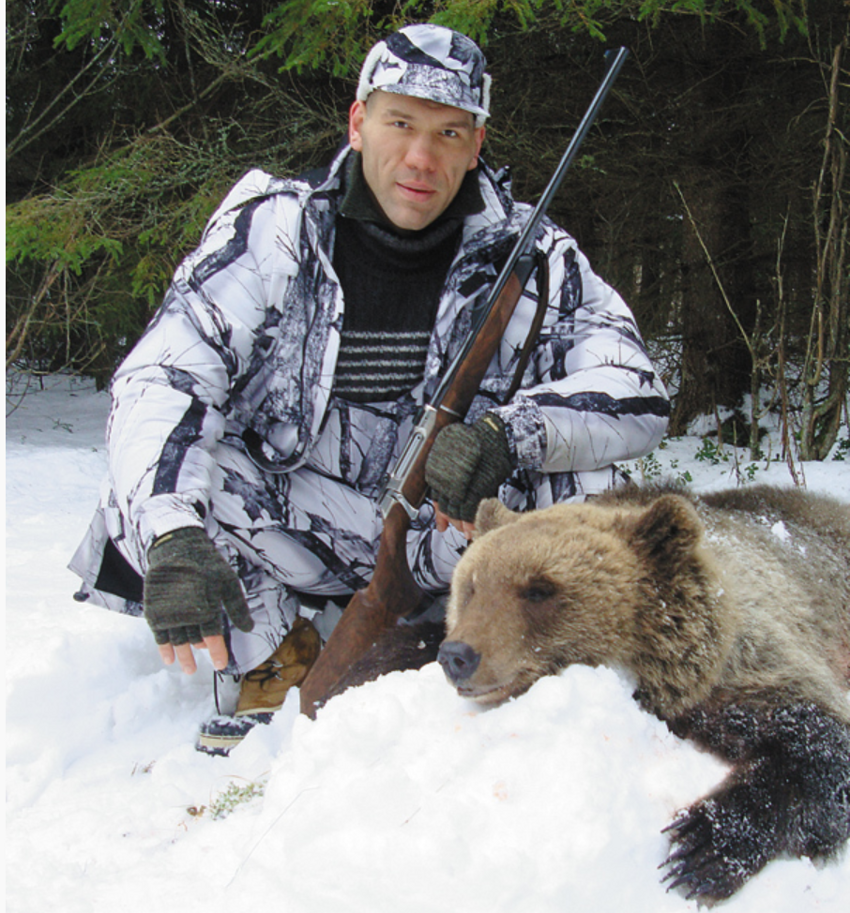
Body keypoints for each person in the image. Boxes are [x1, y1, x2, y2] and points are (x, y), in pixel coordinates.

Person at [70, 24, 670, 754]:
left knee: (592, 473)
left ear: (477, 145)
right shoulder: (273, 232)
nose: (422, 157)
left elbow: (636, 388)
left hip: (465, 546)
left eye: (450, 133)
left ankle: (547, 671)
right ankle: (272, 655)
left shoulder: (539, 259)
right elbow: (163, 376)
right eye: (401, 123)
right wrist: (171, 533)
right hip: (307, 526)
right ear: (358, 123)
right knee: (170, 479)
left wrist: (509, 435)